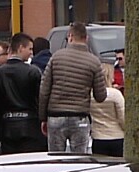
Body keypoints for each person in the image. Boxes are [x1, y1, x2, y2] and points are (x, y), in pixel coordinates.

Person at [40, 22, 106, 154]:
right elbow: (100, 96)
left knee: (56, 158)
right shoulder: (94, 62)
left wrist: (43, 117)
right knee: (79, 159)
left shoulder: (56, 57)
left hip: (56, 116)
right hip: (80, 116)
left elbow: (44, 90)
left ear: (70, 36)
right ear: (86, 38)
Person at [0, 34, 43, 153]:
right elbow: (39, 101)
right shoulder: (33, 72)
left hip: (6, 128)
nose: (31, 53)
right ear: (21, 48)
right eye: (30, 49)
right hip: (30, 126)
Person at [88, 62, 124, 156]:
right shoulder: (115, 94)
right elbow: (122, 117)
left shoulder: (90, 95)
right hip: (117, 136)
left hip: (98, 137)